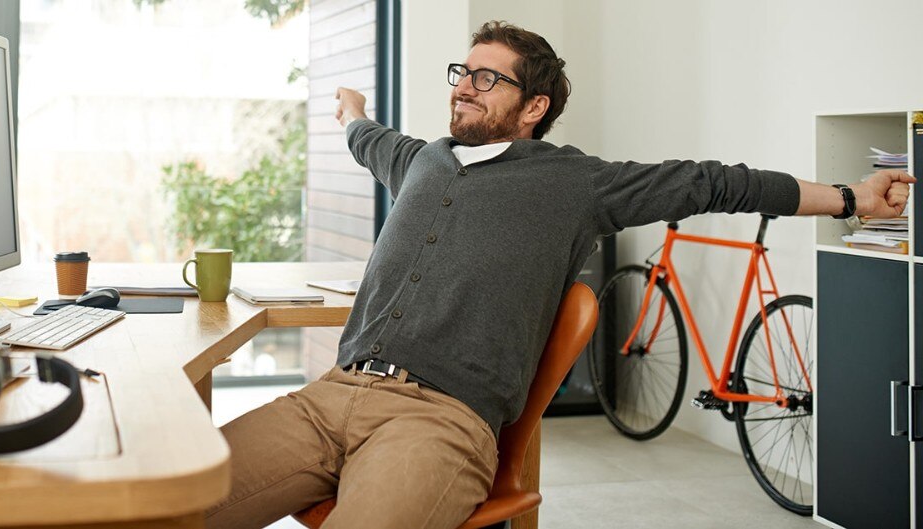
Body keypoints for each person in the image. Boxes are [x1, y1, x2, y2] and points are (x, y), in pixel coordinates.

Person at [205, 20, 914, 529]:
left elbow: (712, 183)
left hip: (440, 422)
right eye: (462, 72)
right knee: (161, 499)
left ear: (534, 105)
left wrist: (850, 199)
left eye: (487, 78)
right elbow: (364, 139)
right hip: (331, 396)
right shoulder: (419, 158)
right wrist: (353, 111)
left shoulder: (577, 184)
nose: (465, 87)